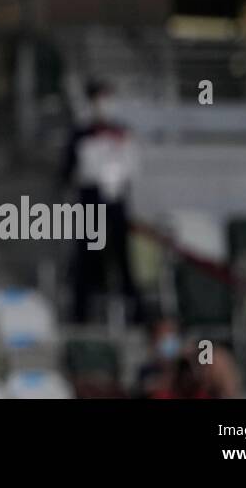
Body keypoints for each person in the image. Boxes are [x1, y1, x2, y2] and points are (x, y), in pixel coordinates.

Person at [60, 78, 144, 324]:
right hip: (90, 204)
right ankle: (81, 314)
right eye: (99, 99)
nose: (104, 104)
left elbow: (132, 168)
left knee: (123, 260)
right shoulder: (80, 133)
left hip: (116, 204)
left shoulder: (123, 132)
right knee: (87, 259)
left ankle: (135, 314)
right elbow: (67, 171)